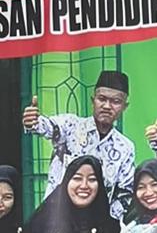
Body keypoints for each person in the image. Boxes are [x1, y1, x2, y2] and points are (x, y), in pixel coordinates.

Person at [22, 70, 134, 220]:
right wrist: (34, 122)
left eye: (116, 101)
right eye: (102, 99)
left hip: (96, 226)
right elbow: (50, 127)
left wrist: (108, 223)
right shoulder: (71, 126)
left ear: (125, 106)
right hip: (57, 219)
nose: (107, 106)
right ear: (93, 100)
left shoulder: (125, 147)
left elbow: (125, 193)